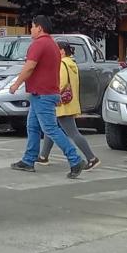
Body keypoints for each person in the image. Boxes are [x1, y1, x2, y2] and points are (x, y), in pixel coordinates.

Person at [9, 16, 84, 178]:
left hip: (42, 94)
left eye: (32, 26)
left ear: (40, 28)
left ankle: (75, 159)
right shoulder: (52, 44)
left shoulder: (39, 44)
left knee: (50, 129)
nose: (31, 29)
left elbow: (29, 67)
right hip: (44, 93)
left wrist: (16, 84)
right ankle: (28, 160)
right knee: (33, 127)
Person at [37, 42, 101, 170]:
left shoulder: (61, 64)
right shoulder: (72, 64)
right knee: (50, 128)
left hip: (62, 104)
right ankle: (43, 156)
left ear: (61, 51)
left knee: (73, 133)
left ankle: (92, 158)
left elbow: (60, 84)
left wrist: (49, 94)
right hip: (70, 102)